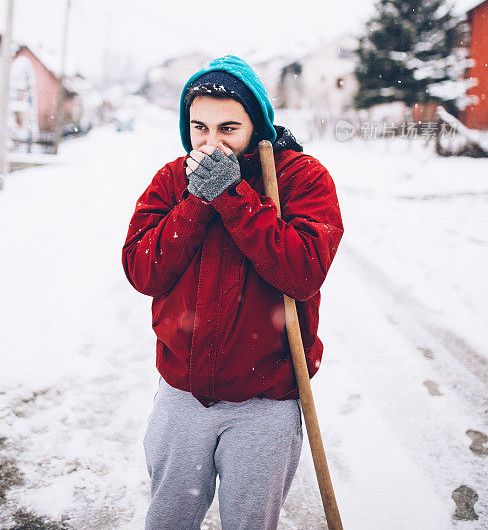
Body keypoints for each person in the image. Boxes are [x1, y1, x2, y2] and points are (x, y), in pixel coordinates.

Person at [122, 54, 344, 530]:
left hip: (266, 402)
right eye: (199, 127)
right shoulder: (171, 180)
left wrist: (233, 196)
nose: (211, 142)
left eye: (228, 127)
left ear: (256, 124)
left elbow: (303, 271)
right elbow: (144, 270)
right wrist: (196, 202)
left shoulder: (300, 179)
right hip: (181, 396)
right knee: (168, 520)